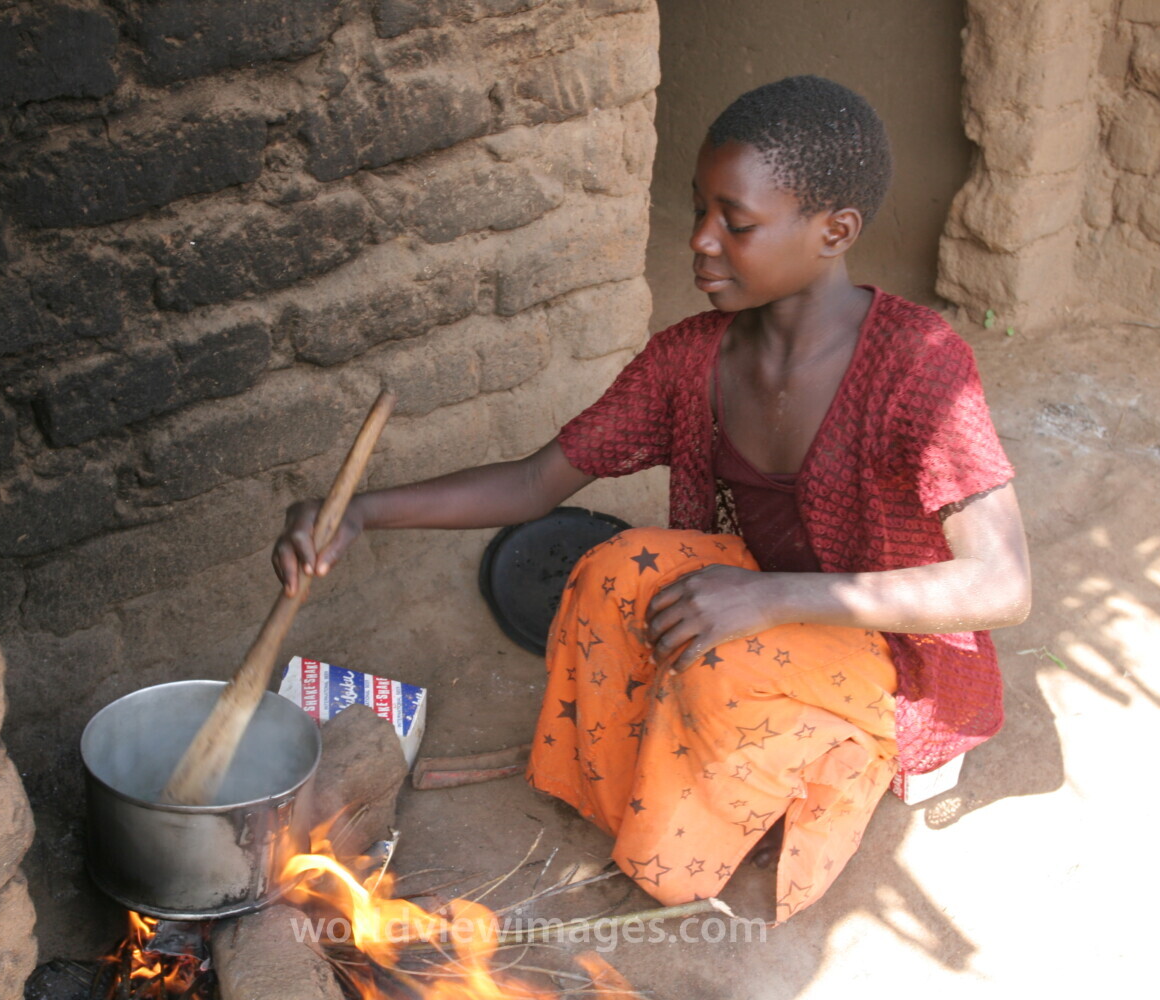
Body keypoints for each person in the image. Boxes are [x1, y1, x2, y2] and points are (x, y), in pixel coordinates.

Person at [274, 76, 1030, 923]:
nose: (702, 241)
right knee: (610, 574)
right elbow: (536, 483)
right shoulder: (693, 359)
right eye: (700, 210)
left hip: (893, 655)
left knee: (716, 661)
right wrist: (359, 512)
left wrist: (771, 595)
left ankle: (773, 804)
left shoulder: (919, 366)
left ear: (834, 232)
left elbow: (1002, 585)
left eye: (735, 224)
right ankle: (670, 786)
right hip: (770, 603)